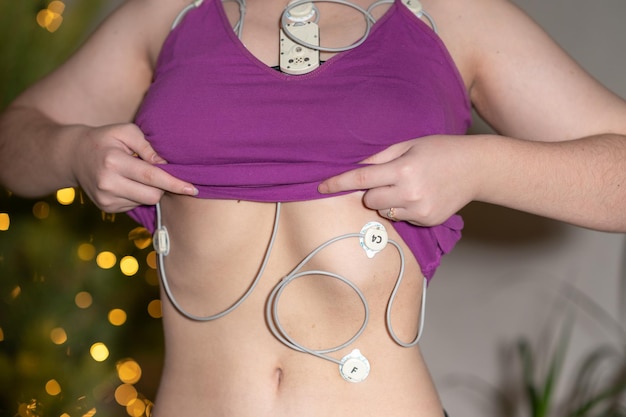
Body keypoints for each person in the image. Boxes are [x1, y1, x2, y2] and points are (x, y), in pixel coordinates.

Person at [1, 0, 625, 415]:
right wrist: (72, 150)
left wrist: (481, 166)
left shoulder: (452, 14)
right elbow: (14, 139)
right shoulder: (170, 13)